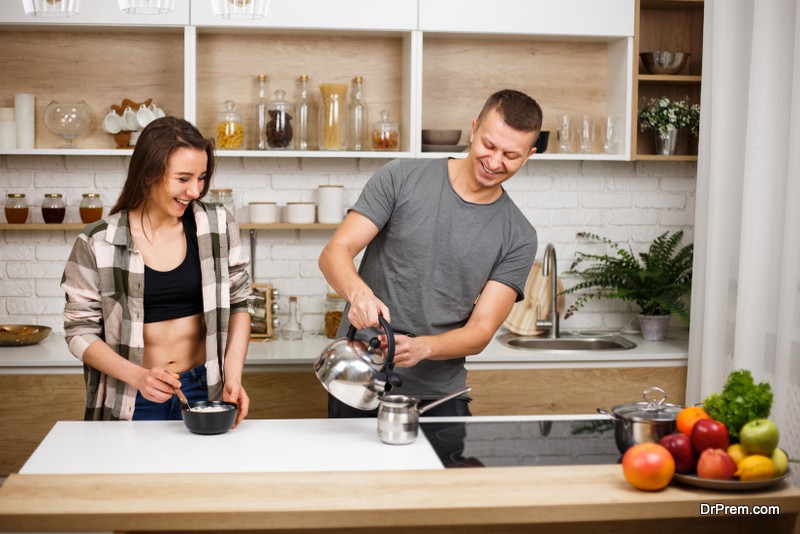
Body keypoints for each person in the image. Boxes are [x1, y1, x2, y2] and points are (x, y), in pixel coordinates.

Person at [318, 89, 542, 418]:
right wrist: (359, 294)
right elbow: (335, 252)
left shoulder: (519, 236)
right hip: (360, 380)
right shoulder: (401, 178)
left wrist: (424, 347)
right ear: (474, 128)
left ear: (529, 155)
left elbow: (480, 331)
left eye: (511, 155)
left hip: (440, 395)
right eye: (489, 145)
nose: (494, 162)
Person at [61, 116, 251, 427]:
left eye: (202, 178)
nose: (195, 191)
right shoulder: (98, 241)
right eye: (183, 178)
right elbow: (78, 333)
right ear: (149, 174)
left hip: (206, 388)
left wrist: (233, 377)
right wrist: (138, 377)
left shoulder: (217, 224)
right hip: (135, 394)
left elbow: (240, 302)